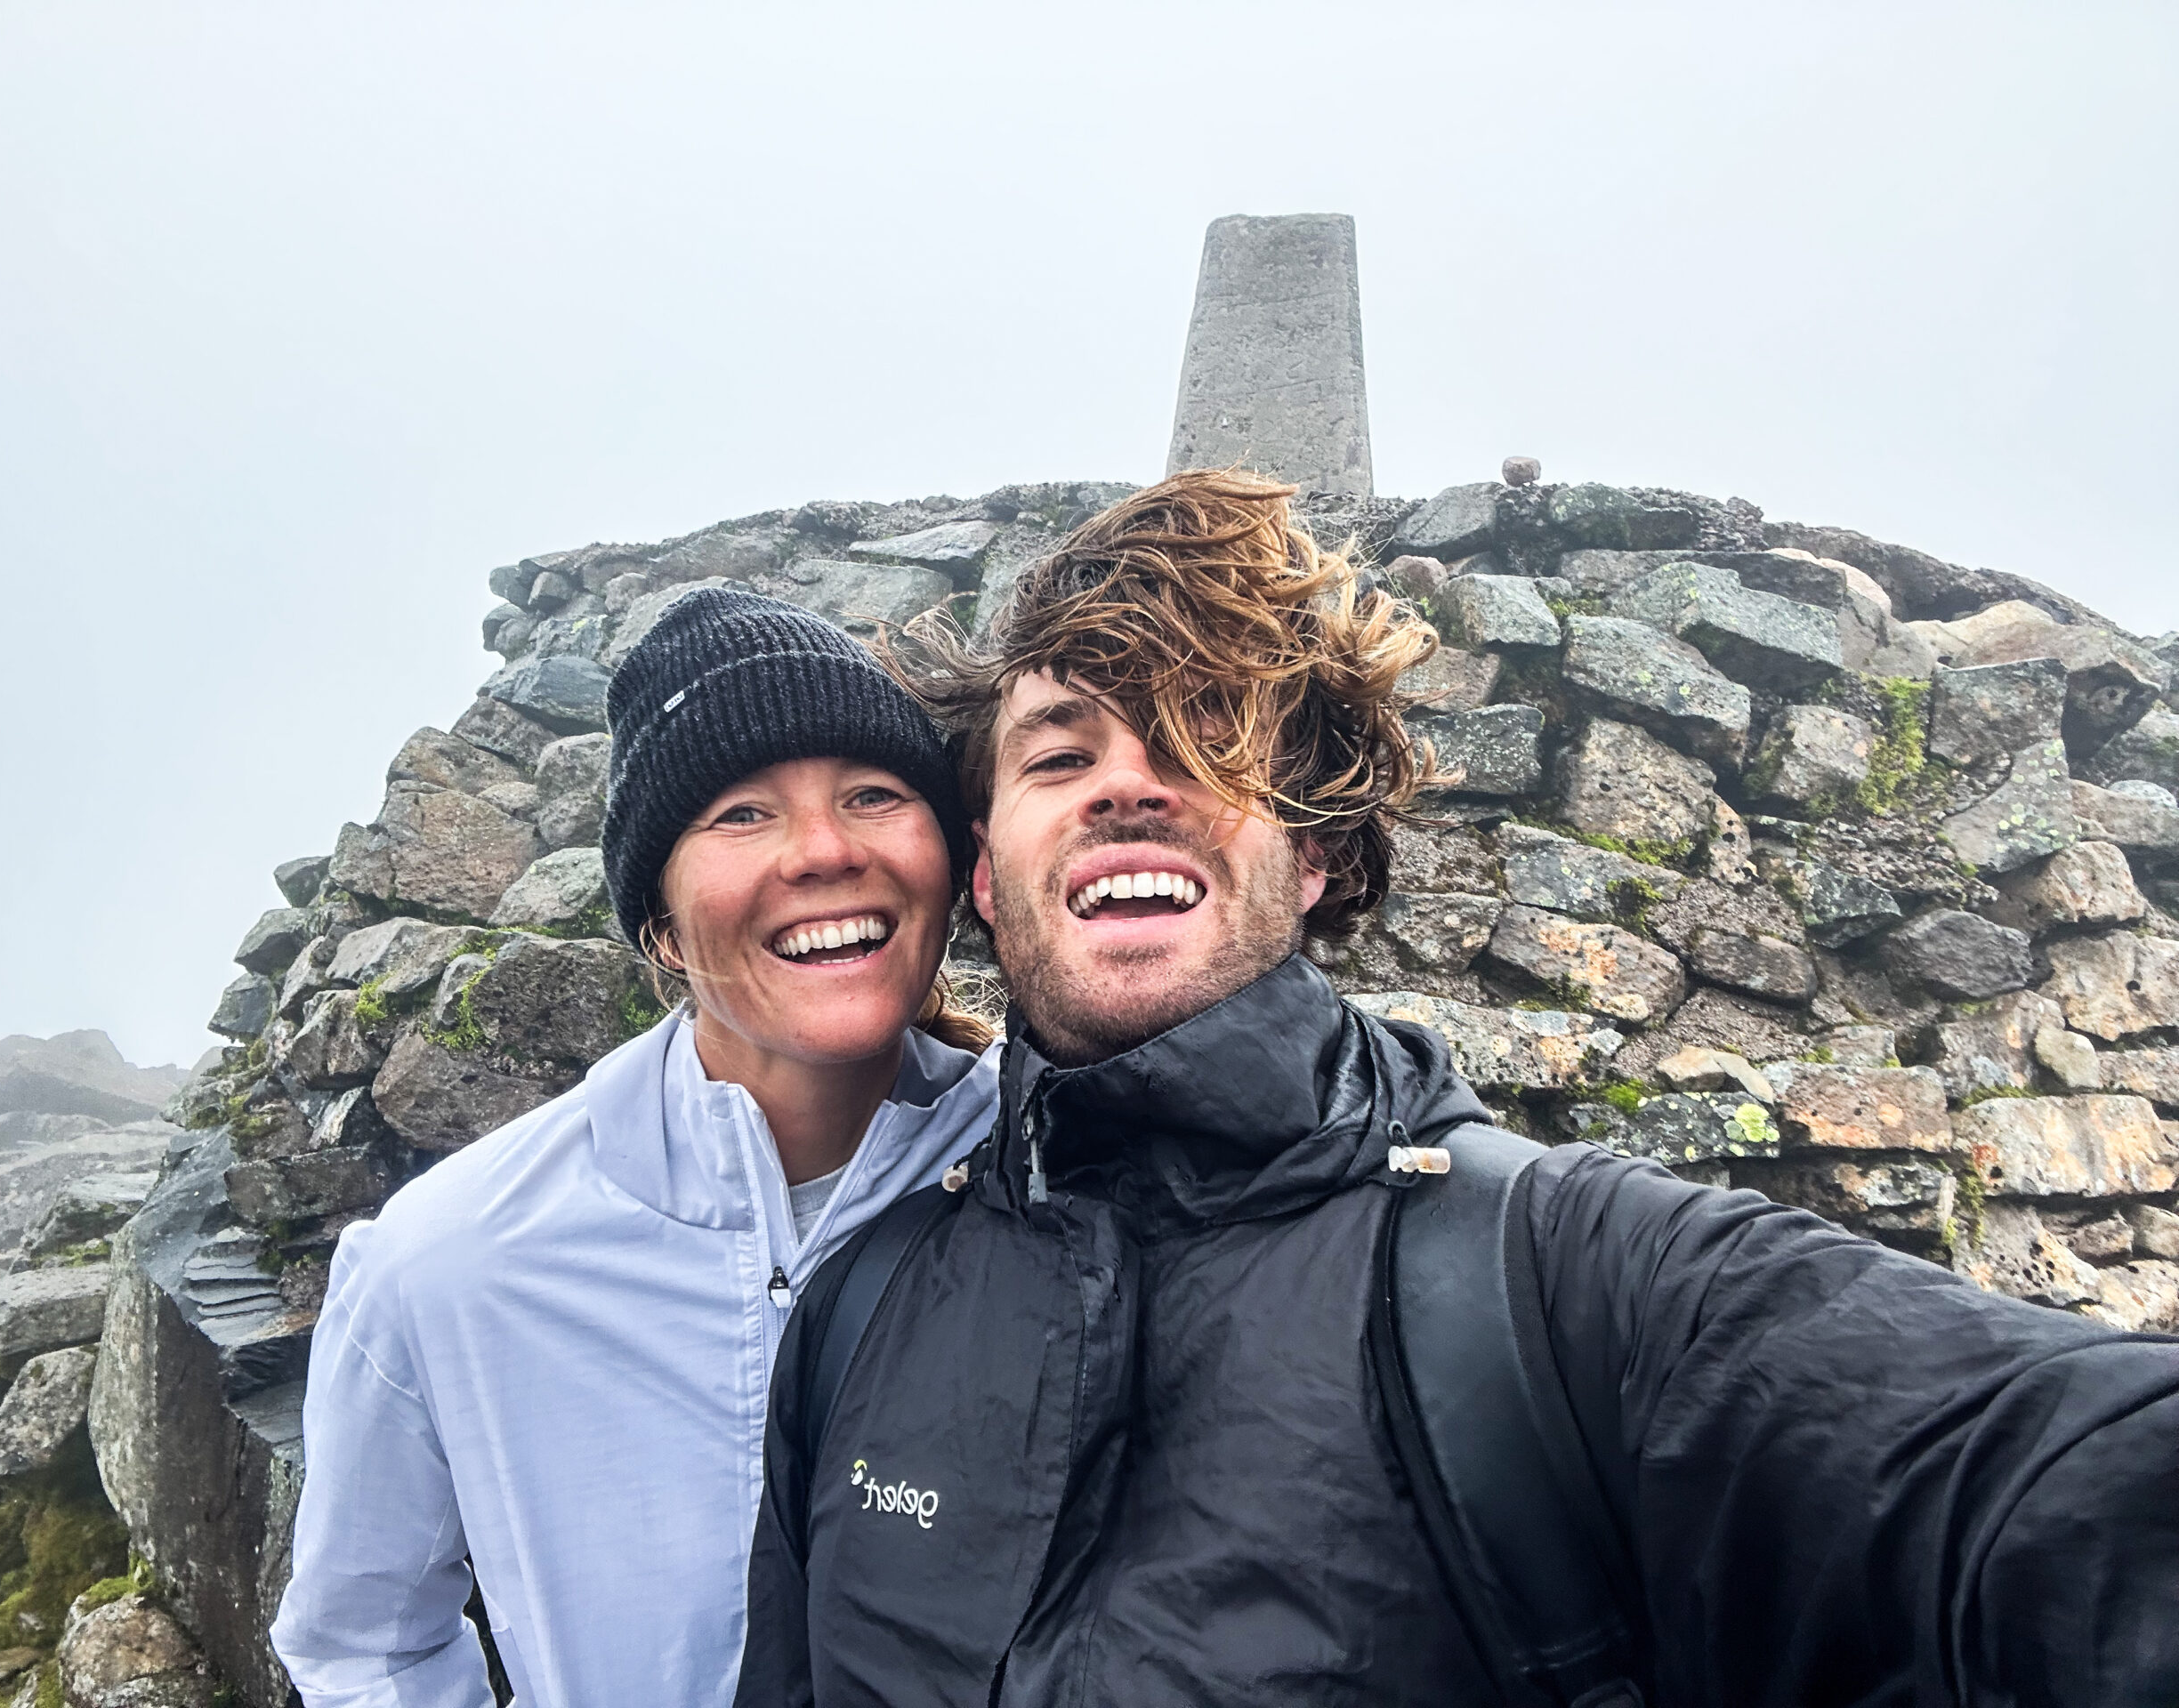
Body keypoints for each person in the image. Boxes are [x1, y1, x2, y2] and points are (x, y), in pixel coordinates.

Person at [736, 471, 2179, 1708]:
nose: (1130, 785)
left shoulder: (1572, 1287)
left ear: (1310, 854)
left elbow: (2051, 1490)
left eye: (1204, 738)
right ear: (987, 871)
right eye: (1063, 753)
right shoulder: (857, 1316)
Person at [272, 589, 1001, 1707]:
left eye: (873, 795)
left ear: (956, 871)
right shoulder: (449, 1264)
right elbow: (364, 1645)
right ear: (657, 924)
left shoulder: (1061, 1167)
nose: (821, 851)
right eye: (740, 814)